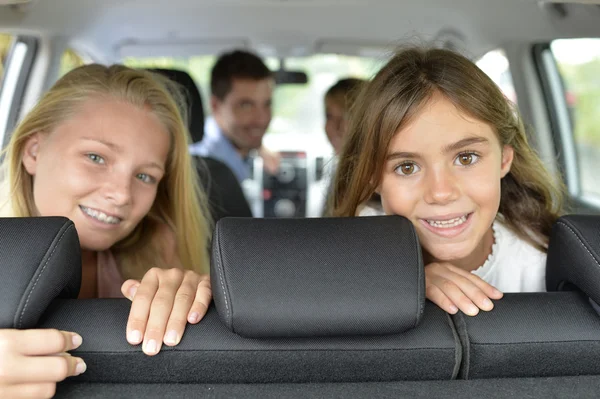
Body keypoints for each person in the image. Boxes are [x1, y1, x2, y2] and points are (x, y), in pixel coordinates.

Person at [0, 64, 213, 397]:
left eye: (145, 177)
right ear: (33, 151)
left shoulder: (159, 249)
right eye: (96, 157)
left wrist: (202, 304)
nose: (122, 194)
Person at [332, 46, 566, 317]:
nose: (441, 192)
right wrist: (406, 283)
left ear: (504, 160)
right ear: (372, 177)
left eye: (466, 158)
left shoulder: (543, 264)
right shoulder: (352, 250)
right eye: (407, 167)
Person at [189, 49, 279, 183]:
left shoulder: (231, 144)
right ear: (215, 106)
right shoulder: (207, 171)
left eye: (267, 104)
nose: (262, 119)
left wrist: (258, 146)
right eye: (246, 106)